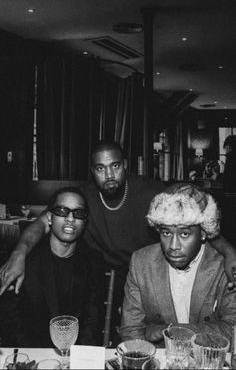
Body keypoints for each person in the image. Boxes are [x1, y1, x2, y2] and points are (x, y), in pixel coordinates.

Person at [0, 141, 236, 337]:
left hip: (157, 272)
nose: (109, 175)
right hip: (111, 274)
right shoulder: (84, 197)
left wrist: (228, 251)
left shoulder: (149, 191)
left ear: (124, 165)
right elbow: (42, 222)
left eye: (115, 166)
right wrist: (19, 253)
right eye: (100, 169)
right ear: (92, 171)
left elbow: (192, 219)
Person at [120, 183, 236, 344]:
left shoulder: (225, 266)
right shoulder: (141, 262)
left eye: (185, 233)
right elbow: (131, 330)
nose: (173, 246)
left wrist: (174, 330)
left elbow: (233, 329)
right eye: (166, 233)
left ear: (203, 233)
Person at [0, 187, 104, 347]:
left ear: (85, 222)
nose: (70, 218)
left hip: (74, 355)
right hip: (31, 355)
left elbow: (92, 321)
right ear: (49, 218)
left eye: (78, 213)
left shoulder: (93, 261)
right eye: (62, 211)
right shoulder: (23, 261)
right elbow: (11, 323)